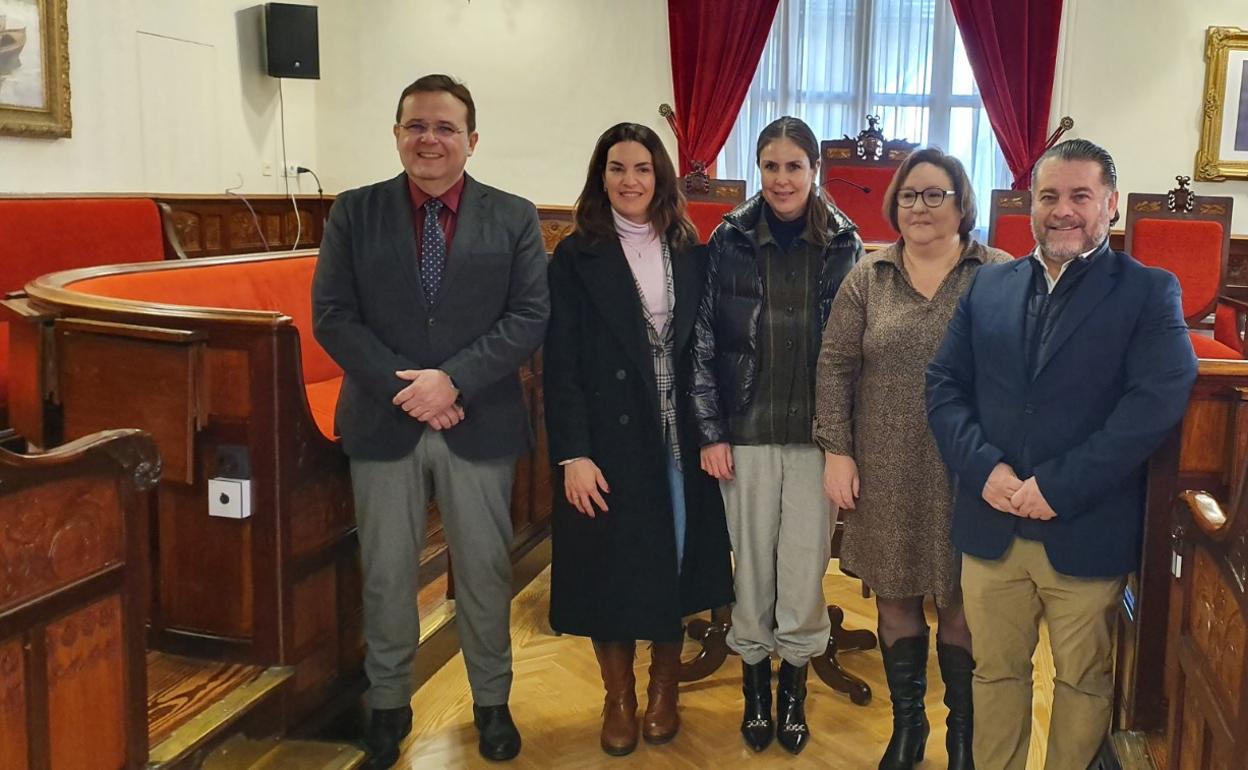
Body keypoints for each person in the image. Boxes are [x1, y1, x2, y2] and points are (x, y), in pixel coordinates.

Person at [925, 138, 1197, 770]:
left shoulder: (1148, 291)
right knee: (994, 674)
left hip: (1084, 527)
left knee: (1083, 681)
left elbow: (1153, 406)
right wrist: (984, 468)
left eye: (1080, 195)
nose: (1062, 210)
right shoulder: (988, 286)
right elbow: (944, 386)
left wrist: (1058, 487)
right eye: (1049, 196)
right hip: (991, 523)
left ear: (1111, 205)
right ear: (1031, 205)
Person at [311, 73, 549, 768]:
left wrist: (455, 381)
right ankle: (388, 705)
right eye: (416, 125)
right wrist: (408, 388)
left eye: (446, 127)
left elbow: (529, 316)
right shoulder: (355, 213)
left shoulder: (513, 216)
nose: (430, 139)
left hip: (479, 421)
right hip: (385, 425)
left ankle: (491, 702)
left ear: (472, 141)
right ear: (396, 135)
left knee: (482, 571)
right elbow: (333, 315)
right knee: (386, 574)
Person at [543, 122, 734, 757]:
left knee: (672, 563)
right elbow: (561, 362)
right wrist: (573, 452)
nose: (631, 181)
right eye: (618, 168)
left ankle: (663, 691)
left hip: (680, 436)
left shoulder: (689, 247)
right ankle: (618, 696)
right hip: (608, 442)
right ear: (602, 176)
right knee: (611, 570)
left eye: (643, 169)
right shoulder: (576, 256)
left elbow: (706, 349)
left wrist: (713, 428)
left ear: (661, 178)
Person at [815, 148, 1009, 770]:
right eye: (908, 196)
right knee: (895, 595)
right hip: (885, 463)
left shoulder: (997, 272)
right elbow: (835, 365)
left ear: (962, 203)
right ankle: (908, 729)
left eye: (935, 195)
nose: (920, 207)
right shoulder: (868, 276)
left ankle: (961, 734)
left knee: (962, 601)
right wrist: (837, 451)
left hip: (971, 467)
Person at [691, 115, 863, 755]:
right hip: (746, 432)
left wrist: (844, 442)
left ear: (814, 171)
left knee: (803, 570)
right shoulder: (729, 238)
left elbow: (853, 352)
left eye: (795, 166)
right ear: (758, 171)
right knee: (752, 571)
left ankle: (794, 692)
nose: (783, 179)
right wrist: (710, 430)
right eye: (771, 166)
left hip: (817, 439)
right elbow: (705, 340)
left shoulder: (843, 242)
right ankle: (755, 691)